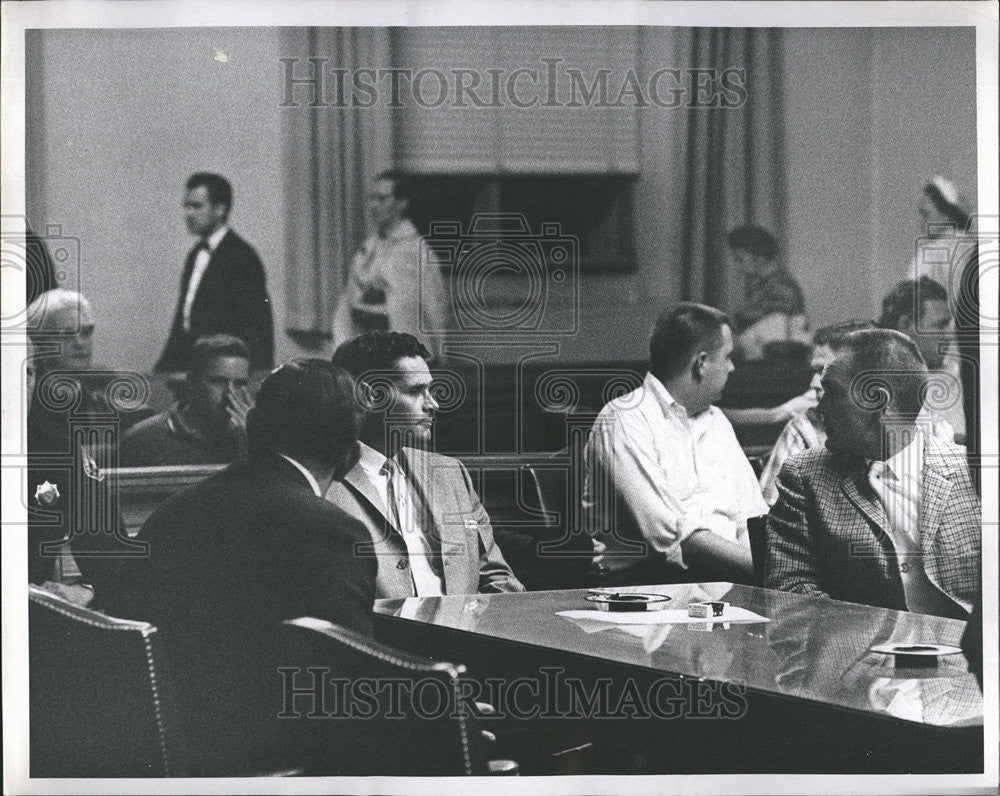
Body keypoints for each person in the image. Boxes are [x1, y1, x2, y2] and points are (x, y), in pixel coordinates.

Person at [130, 359, 375, 775]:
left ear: (256, 429)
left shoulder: (171, 513)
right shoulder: (332, 531)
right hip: (274, 760)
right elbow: (347, 686)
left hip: (167, 747)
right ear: (348, 450)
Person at [766, 329, 980, 618]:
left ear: (877, 399)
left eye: (833, 392)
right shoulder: (804, 476)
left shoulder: (972, 474)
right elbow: (790, 588)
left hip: (968, 653)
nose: (820, 407)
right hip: (861, 652)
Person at [327, 330, 523, 599]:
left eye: (430, 389)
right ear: (370, 396)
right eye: (416, 391)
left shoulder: (450, 473)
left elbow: (497, 577)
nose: (434, 404)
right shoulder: (326, 482)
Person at [583, 302, 767, 585]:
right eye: (728, 357)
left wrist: (766, 579)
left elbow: (752, 519)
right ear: (702, 363)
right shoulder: (624, 418)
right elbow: (671, 534)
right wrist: (766, 571)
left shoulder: (716, 421)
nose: (732, 367)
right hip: (644, 593)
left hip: (729, 586)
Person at [25, 289, 144, 606]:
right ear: (40, 345)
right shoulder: (42, 418)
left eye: (87, 332)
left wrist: (91, 589)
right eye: (67, 335)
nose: (80, 343)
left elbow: (102, 537)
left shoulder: (101, 396)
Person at [155, 172, 274, 374]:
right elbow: (183, 324)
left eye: (197, 206)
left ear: (220, 209)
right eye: (186, 206)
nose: (188, 214)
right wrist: (161, 371)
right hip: (194, 372)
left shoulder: (243, 257)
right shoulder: (195, 255)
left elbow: (257, 331)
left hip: (224, 375)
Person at [759, 319, 877, 505]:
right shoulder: (804, 430)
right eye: (815, 371)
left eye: (824, 370)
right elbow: (770, 517)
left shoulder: (910, 429)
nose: (814, 383)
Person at [333, 171, 450, 359]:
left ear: (402, 203)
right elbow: (349, 300)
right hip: (367, 348)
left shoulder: (417, 250)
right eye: (371, 199)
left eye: (382, 199)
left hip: (404, 353)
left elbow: (434, 305)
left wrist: (442, 354)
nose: (373, 206)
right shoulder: (368, 248)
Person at [121, 334, 252, 466]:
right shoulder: (144, 439)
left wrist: (256, 441)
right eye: (218, 382)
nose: (230, 393)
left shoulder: (250, 437)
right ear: (192, 381)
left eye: (240, 383)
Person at [879, 277, 963, 441]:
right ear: (906, 324)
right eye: (940, 325)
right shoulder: (875, 384)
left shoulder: (961, 376)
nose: (950, 335)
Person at [726, 225, 810, 360]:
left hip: (775, 363)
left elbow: (774, 328)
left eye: (739, 259)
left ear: (759, 257)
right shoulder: (761, 284)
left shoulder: (783, 287)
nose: (736, 266)